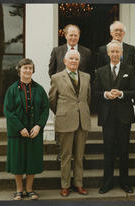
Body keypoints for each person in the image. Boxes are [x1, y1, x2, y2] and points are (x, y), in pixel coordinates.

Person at [95, 40, 135, 194]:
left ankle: (125, 182)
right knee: (108, 150)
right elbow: (95, 93)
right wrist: (106, 94)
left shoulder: (129, 69)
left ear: (121, 53)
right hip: (108, 117)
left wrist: (122, 94)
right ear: (107, 53)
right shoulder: (100, 71)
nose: (114, 54)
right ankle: (107, 182)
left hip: (124, 117)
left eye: (117, 52)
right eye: (112, 52)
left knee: (124, 150)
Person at [4, 58, 49, 200]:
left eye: (30, 68)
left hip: (34, 132)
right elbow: (8, 111)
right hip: (17, 133)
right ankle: (19, 190)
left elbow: (45, 109)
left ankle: (29, 189)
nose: (28, 71)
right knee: (17, 161)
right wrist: (20, 128)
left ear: (33, 71)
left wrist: (38, 126)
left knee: (32, 161)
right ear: (19, 71)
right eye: (25, 68)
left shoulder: (39, 89)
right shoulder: (11, 90)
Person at [49, 50, 91, 197]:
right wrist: (63, 112)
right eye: (71, 59)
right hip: (65, 120)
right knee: (66, 155)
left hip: (82, 121)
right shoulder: (56, 78)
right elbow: (52, 100)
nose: (74, 61)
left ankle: (78, 184)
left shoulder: (86, 77)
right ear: (65, 61)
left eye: (76, 59)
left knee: (80, 156)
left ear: (79, 62)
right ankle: (65, 185)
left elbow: (88, 98)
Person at [48, 24, 92, 161]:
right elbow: (51, 71)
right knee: (62, 127)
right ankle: (62, 153)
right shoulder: (57, 51)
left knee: (79, 128)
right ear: (65, 35)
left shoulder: (87, 52)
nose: (73, 37)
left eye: (76, 35)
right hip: (63, 97)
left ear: (79, 36)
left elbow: (89, 73)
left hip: (80, 96)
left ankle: (79, 153)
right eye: (70, 34)